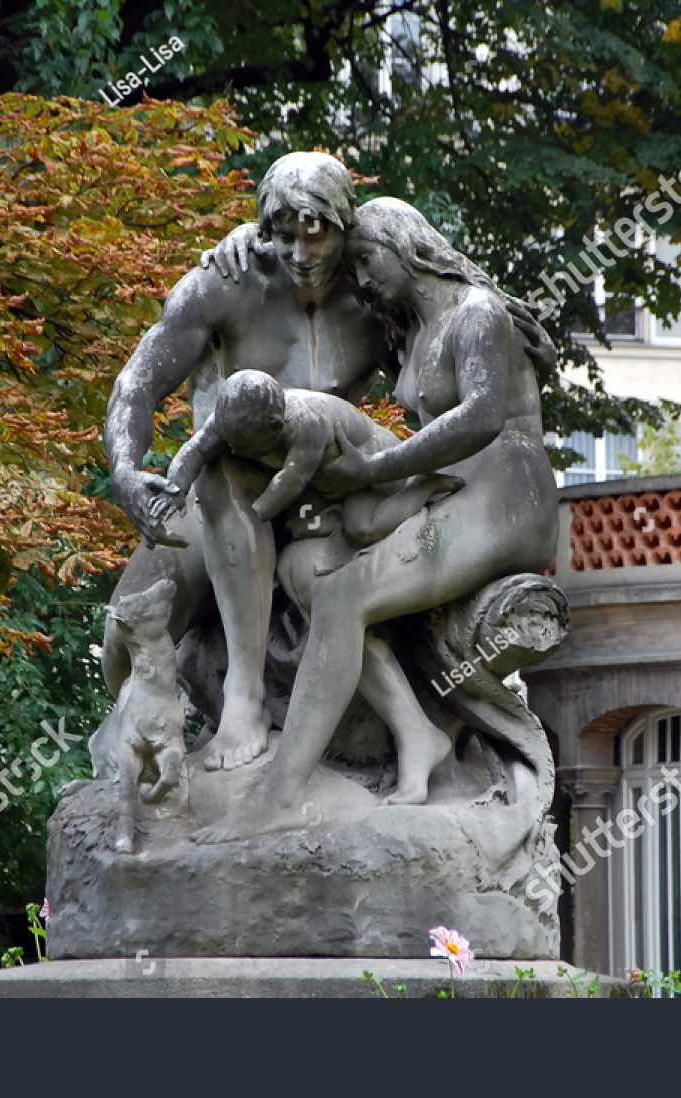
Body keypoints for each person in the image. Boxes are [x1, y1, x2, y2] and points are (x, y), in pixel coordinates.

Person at [192, 197, 561, 842]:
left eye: (365, 258)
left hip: (505, 494)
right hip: (444, 490)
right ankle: (418, 737)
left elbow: (479, 418)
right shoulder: (410, 329)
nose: (358, 278)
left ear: (406, 245)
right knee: (307, 565)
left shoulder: (477, 313)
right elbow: (285, 268)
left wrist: (374, 475)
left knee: (345, 598)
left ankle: (281, 792)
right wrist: (236, 246)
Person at [101, 154, 396, 772]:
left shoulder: (376, 289)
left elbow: (452, 319)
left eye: (317, 234)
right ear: (265, 230)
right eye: (284, 235)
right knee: (121, 651)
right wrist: (126, 472)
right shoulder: (228, 281)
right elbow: (137, 383)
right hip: (217, 489)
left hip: (328, 486)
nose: (300, 252)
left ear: (346, 225)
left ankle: (246, 692)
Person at [152, 369, 464, 551]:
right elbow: (196, 449)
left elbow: (288, 484)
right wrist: (175, 487)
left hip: (368, 461)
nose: (233, 451)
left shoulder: (306, 423)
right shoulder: (235, 415)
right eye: (231, 442)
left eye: (244, 446)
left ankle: (426, 485)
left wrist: (245, 518)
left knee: (361, 530)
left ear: (276, 427)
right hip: (324, 482)